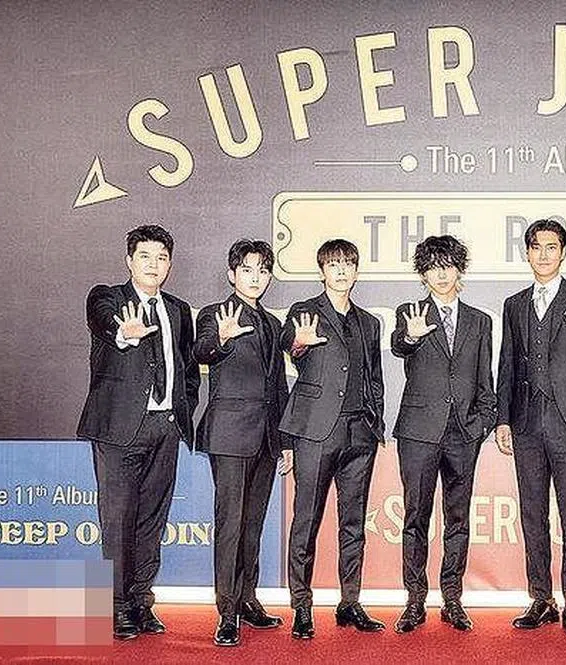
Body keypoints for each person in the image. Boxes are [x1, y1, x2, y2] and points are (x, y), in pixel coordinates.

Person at [77, 224, 199, 640]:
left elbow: (187, 369)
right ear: (129, 260)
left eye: (162, 258)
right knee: (118, 522)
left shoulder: (179, 310)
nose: (154, 264)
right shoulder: (107, 297)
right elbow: (103, 321)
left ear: (170, 264)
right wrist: (122, 333)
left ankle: (142, 602)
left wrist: (182, 411)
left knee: (151, 521)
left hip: (165, 428)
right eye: (145, 256)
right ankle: (115, 607)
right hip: (119, 430)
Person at [495, 218, 566, 637]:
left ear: (563, 252)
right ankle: (541, 598)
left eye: (551, 247)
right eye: (536, 247)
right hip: (525, 421)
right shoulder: (514, 304)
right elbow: (507, 362)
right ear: (527, 253)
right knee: (532, 514)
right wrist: (502, 418)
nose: (543, 254)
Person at [389, 235, 497, 633]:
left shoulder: (480, 321)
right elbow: (399, 345)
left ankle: (452, 599)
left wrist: (483, 423)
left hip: (464, 433)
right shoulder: (410, 312)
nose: (441, 274)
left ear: (458, 270)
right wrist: (412, 335)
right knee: (415, 517)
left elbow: (485, 379)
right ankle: (414, 600)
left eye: (447, 265)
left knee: (458, 520)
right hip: (418, 432)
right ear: (423, 274)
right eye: (433, 267)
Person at [280, 239, 386, 638]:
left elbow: (375, 378)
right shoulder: (304, 312)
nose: (341, 271)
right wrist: (299, 343)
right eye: (334, 264)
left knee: (353, 523)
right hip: (315, 433)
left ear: (356, 272)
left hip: (360, 434)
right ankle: (301, 606)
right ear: (322, 271)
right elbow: (291, 345)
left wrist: (376, 422)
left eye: (348, 264)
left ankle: (349, 602)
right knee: (306, 521)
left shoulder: (369, 322)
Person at [193, 239, 291, 647]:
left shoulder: (272, 323)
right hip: (230, 434)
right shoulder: (215, 314)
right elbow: (201, 351)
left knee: (253, 524)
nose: (256, 278)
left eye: (263, 271)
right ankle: (227, 611)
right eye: (247, 270)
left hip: (267, 437)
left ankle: (248, 599)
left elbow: (279, 385)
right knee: (230, 524)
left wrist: (285, 441)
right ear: (232, 274)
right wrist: (221, 338)